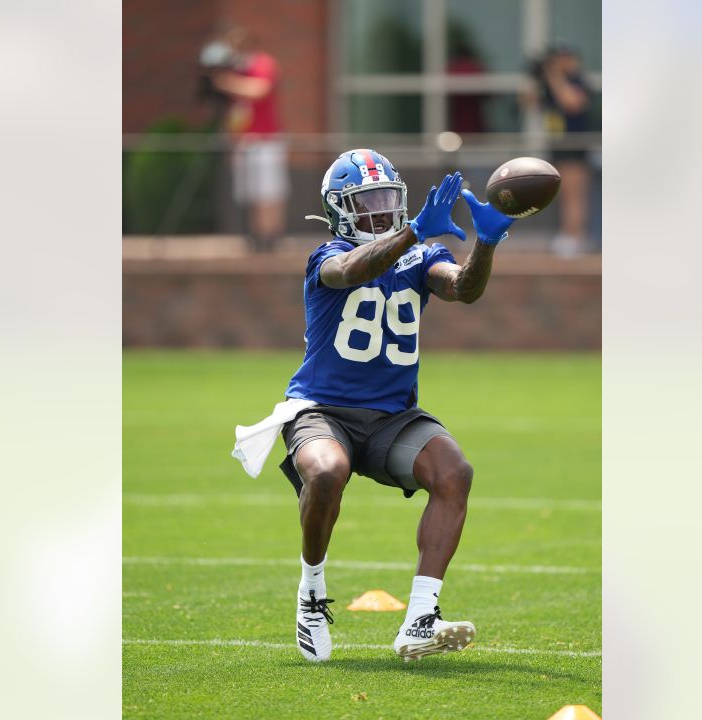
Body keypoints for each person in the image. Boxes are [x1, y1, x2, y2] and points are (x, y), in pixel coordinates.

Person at [265, 149, 514, 663]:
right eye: (366, 202)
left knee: (454, 472)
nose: (380, 212)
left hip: (391, 416)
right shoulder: (326, 256)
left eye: (387, 200)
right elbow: (354, 268)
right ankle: (311, 592)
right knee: (328, 471)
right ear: (339, 210)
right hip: (322, 409)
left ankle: (421, 618)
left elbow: (463, 289)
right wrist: (415, 232)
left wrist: (486, 244)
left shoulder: (418, 255)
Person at [207, 27, 287, 253]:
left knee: (268, 192)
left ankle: (271, 237)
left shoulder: (262, 64)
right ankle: (255, 237)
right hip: (244, 142)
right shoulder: (235, 70)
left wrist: (225, 82)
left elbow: (260, 89)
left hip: (265, 141)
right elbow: (235, 113)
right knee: (251, 194)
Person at [528, 43, 594, 257]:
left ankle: (576, 237)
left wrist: (555, 76)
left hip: (574, 146)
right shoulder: (551, 84)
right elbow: (530, 103)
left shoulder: (577, 81)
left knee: (574, 194)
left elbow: (572, 103)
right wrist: (539, 77)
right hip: (558, 146)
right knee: (564, 194)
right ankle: (569, 234)